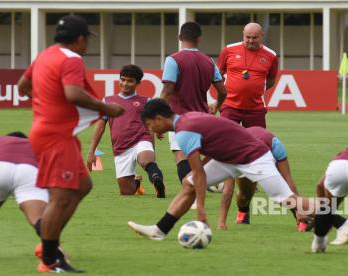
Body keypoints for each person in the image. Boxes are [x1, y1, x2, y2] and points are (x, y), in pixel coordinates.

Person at [17, 14, 124, 273]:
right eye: (86, 39)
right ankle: (50, 258)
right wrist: (106, 107)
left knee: (83, 185)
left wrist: (46, 102)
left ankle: (48, 245)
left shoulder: (45, 55)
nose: (87, 45)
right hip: (55, 136)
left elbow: (22, 86)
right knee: (61, 197)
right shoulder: (72, 58)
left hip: (50, 132)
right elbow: (73, 94)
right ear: (79, 39)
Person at [127, 99, 316, 241]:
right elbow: (212, 148)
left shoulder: (184, 133)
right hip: (231, 159)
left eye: (150, 125)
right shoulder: (185, 120)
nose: (150, 130)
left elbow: (199, 172)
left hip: (253, 157)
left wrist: (200, 209)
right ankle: (159, 231)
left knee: (287, 200)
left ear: (159, 119)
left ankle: (338, 219)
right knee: (189, 183)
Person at [217, 22, 279, 224]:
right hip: (229, 106)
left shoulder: (271, 55)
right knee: (223, 144)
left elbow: (270, 81)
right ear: (242, 35)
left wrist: (252, 90)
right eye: (248, 37)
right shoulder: (228, 50)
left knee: (258, 148)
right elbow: (219, 74)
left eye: (255, 38)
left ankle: (252, 182)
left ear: (262, 36)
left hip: (255, 109)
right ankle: (219, 179)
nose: (251, 41)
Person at [161, 21, 226, 189]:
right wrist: (216, 105)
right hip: (203, 118)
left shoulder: (173, 60)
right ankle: (209, 182)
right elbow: (223, 91)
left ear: (179, 37)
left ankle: (191, 191)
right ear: (199, 39)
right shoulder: (209, 61)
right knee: (201, 155)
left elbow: (167, 90)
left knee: (181, 156)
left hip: (180, 118)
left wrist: (157, 117)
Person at [87, 65, 165, 197]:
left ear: (138, 83)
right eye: (122, 79)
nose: (125, 83)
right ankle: (137, 182)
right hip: (121, 148)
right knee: (126, 192)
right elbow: (100, 127)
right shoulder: (108, 101)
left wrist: (157, 132)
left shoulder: (146, 101)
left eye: (130, 81)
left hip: (141, 140)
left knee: (146, 161)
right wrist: (91, 151)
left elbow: (153, 123)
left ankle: (158, 182)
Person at [0, 132, 70, 266]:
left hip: (0, 166)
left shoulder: (1, 140)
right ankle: (55, 253)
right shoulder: (34, 146)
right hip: (29, 171)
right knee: (39, 219)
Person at [217, 126, 306, 231]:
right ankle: (243, 211)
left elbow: (288, 180)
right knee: (244, 196)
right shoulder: (232, 151)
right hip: (244, 156)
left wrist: (300, 209)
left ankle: (302, 219)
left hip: (268, 146)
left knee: (281, 192)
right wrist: (221, 222)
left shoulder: (276, 146)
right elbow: (228, 190)